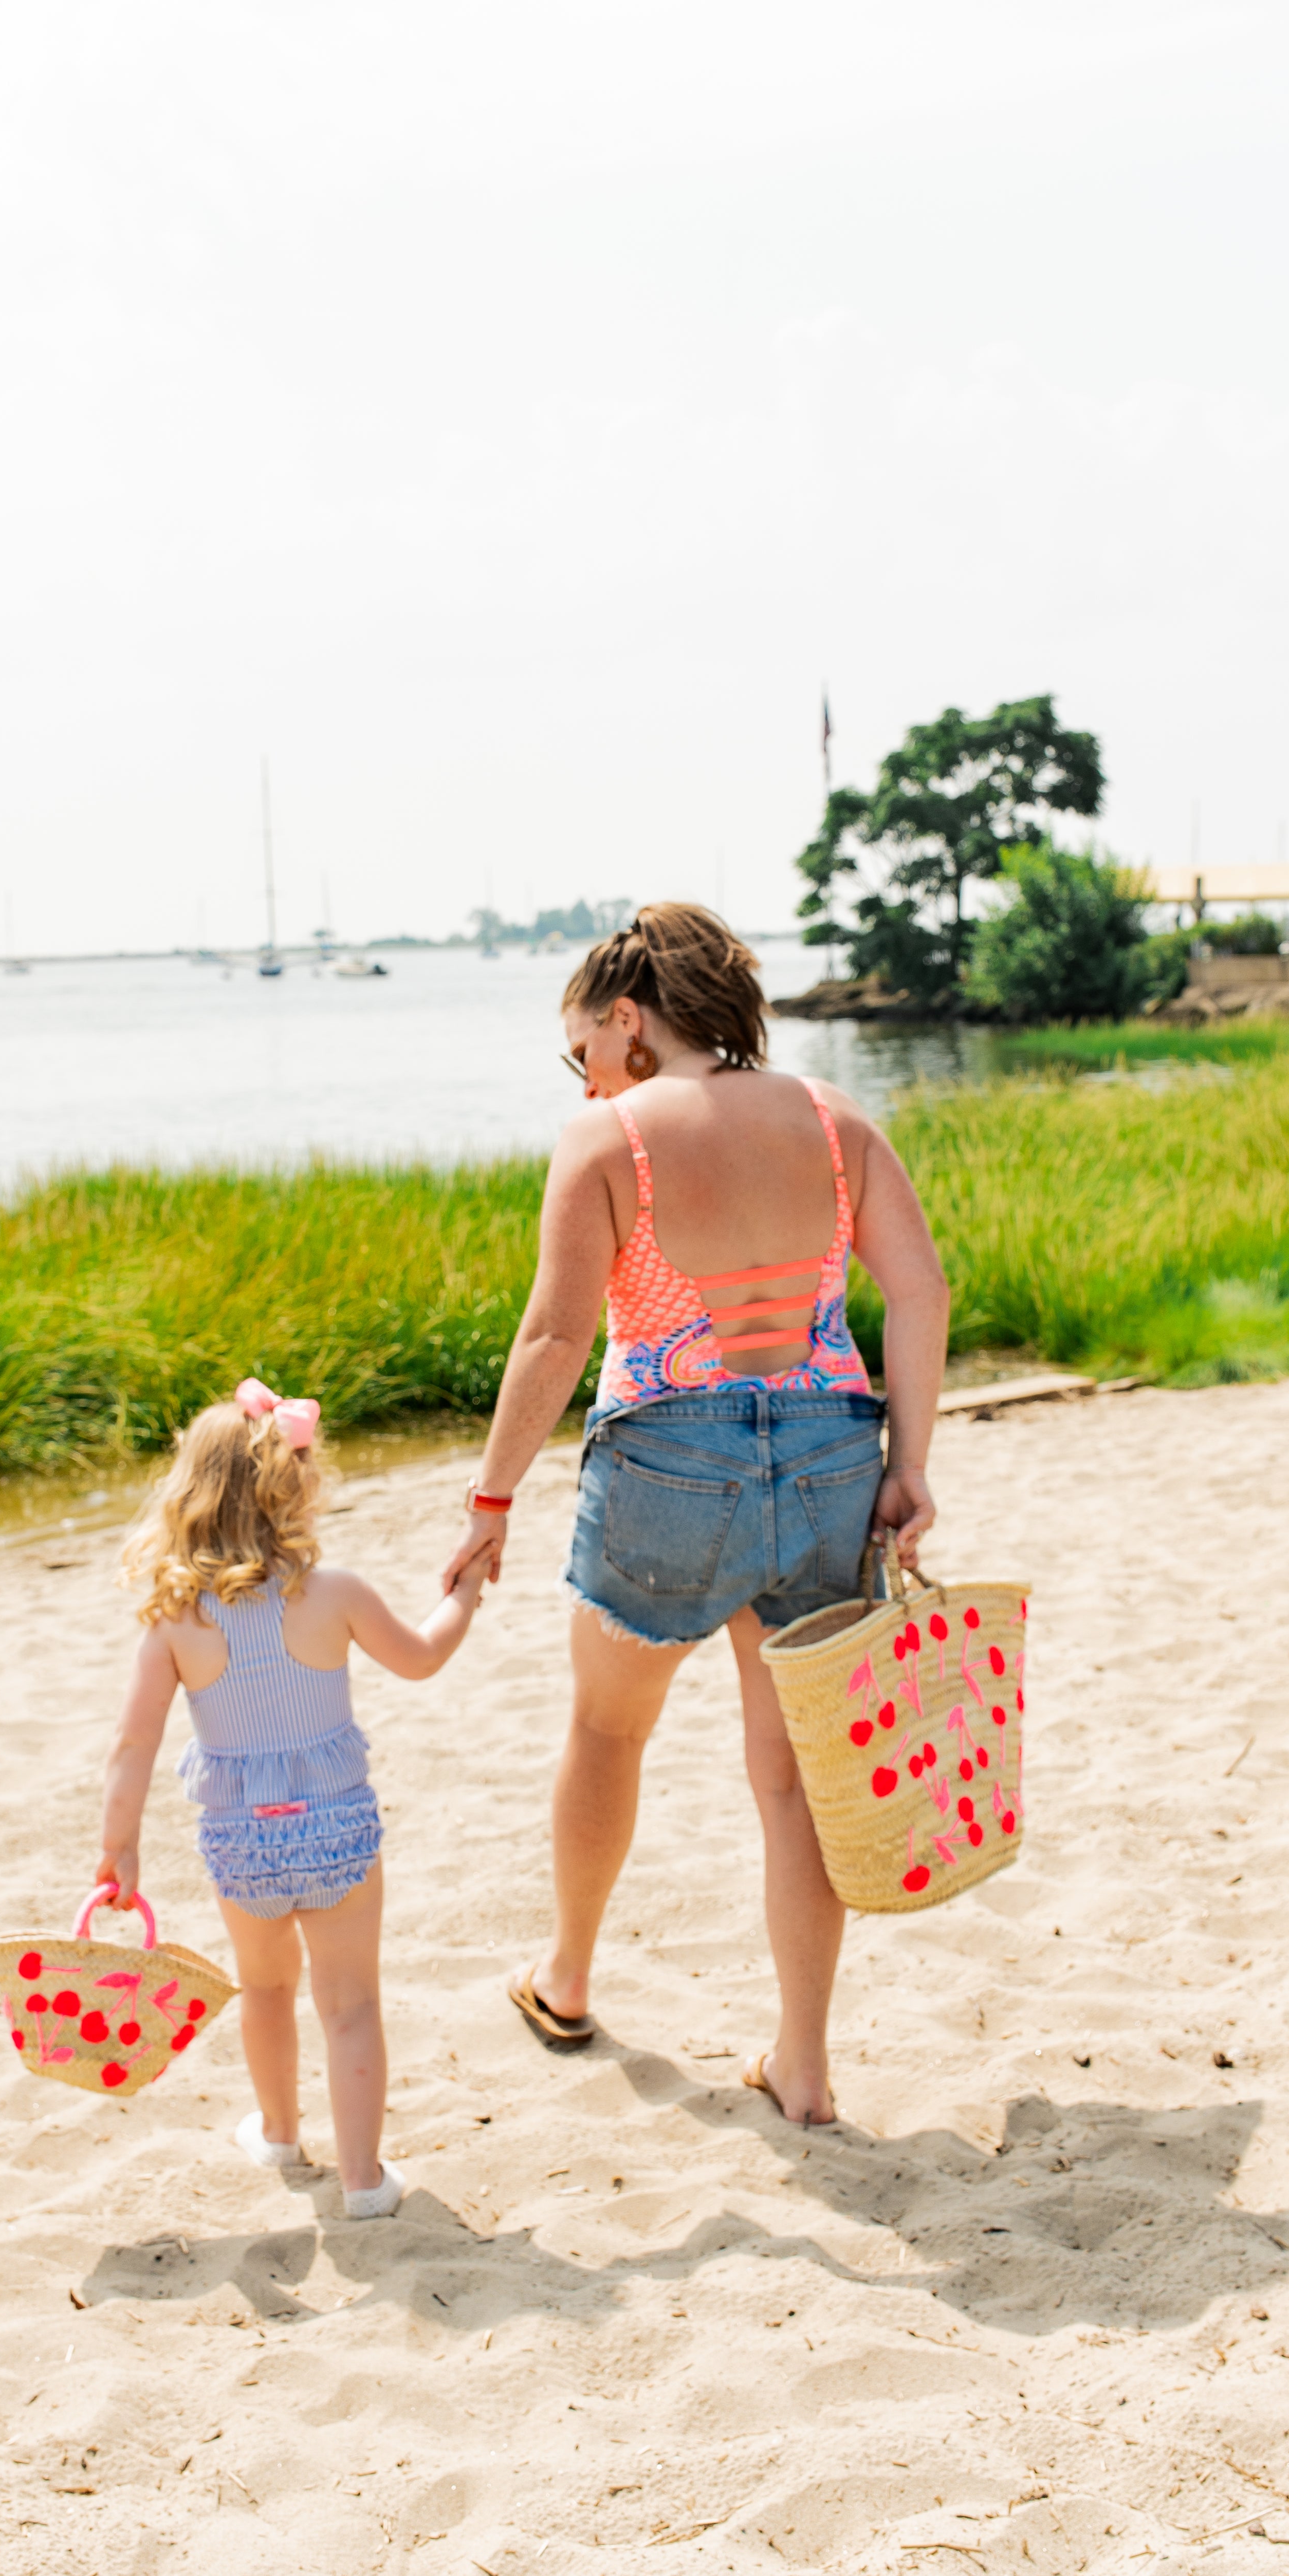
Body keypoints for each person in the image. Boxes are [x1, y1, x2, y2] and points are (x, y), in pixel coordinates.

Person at [441, 903, 949, 2127]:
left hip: (670, 1464)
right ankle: (805, 2066)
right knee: (793, 1780)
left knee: (609, 1735)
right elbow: (920, 1290)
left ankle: (564, 1981)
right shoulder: (837, 1125)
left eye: (582, 1049)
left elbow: (559, 1334)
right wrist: (912, 1465)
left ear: (627, 1020)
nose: (582, 1074)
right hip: (832, 1457)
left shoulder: (609, 1136)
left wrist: (492, 1495)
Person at [96, 1377, 491, 2218]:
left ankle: (278, 2133)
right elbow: (422, 1658)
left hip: (243, 1844)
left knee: (267, 1990)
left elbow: (133, 1746)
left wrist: (119, 1848)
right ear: (293, 1484)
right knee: (350, 2004)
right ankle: (362, 2182)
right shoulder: (334, 1593)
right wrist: (463, 1596)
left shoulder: (174, 1617)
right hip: (337, 1833)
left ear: (191, 1495)